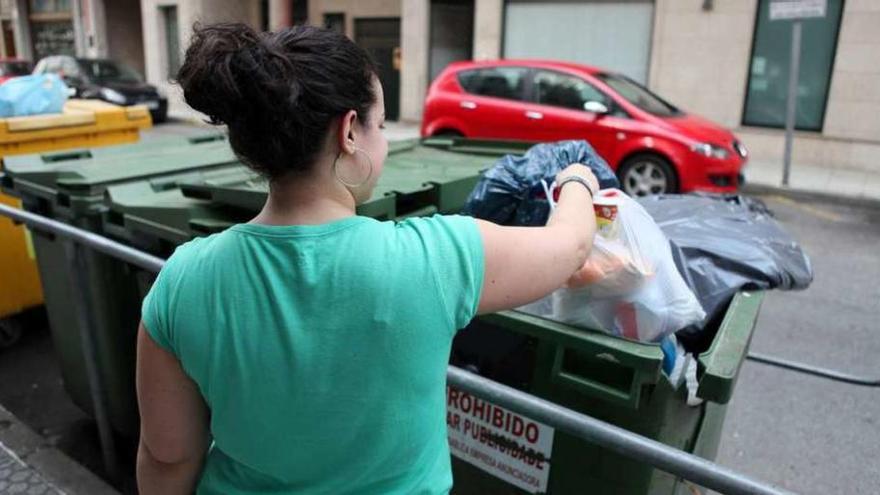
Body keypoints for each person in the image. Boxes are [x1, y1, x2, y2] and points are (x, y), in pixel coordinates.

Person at [136, 22, 599, 495]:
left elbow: (166, 457)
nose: (385, 141)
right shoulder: (436, 258)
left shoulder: (182, 280)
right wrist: (578, 179)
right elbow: (570, 247)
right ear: (350, 131)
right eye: (379, 125)